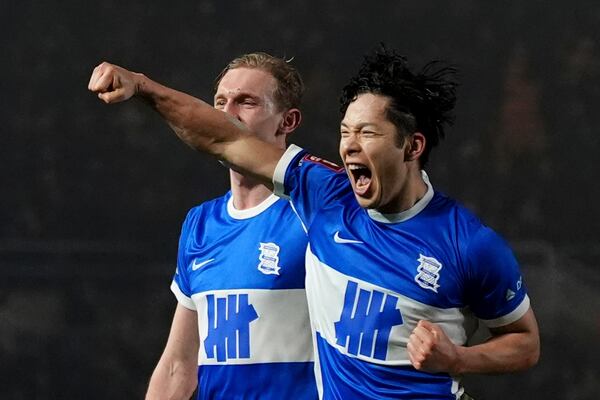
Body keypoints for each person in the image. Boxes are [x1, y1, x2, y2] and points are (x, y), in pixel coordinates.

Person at [89, 47, 540, 399]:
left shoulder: (469, 244)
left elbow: (523, 342)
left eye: (366, 133)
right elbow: (222, 136)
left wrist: (458, 357)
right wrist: (143, 86)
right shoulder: (325, 197)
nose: (348, 146)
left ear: (412, 145)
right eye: (345, 132)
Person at [140, 53, 317, 399]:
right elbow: (179, 364)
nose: (225, 115)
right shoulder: (201, 223)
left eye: (245, 102)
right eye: (220, 102)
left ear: (288, 121)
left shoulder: (314, 213)